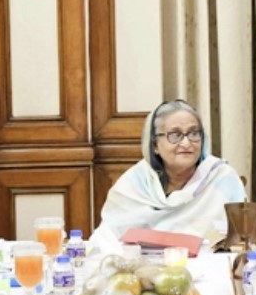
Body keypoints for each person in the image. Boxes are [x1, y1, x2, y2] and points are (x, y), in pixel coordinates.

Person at [91, 100, 246, 243]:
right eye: (175, 135)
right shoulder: (134, 183)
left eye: (193, 133)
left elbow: (242, 240)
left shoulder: (221, 178)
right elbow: (107, 241)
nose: (186, 143)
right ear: (155, 145)